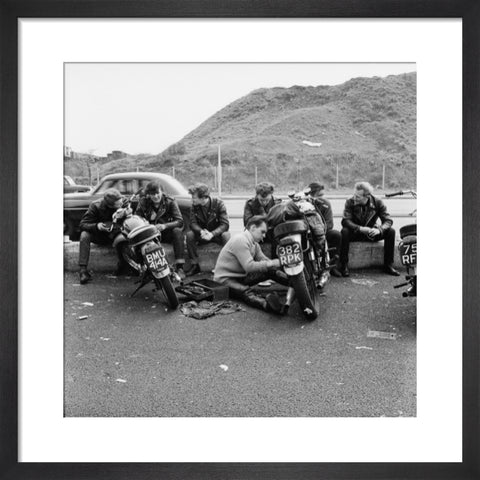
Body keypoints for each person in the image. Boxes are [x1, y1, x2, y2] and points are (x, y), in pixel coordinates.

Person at [214, 215, 287, 314]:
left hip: (241, 277)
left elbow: (265, 261)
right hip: (225, 281)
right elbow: (249, 266)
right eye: (262, 232)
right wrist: (271, 262)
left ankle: (293, 283)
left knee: (270, 270)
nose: (264, 236)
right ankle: (267, 305)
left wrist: (283, 264)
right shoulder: (240, 240)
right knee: (246, 291)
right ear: (253, 228)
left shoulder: (254, 244)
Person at [340, 181, 399, 277]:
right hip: (356, 232)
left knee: (391, 231)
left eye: (358, 197)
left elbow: (388, 220)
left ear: (367, 197)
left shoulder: (378, 202)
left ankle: (388, 265)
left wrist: (379, 230)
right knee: (344, 232)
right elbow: (345, 221)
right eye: (354, 195)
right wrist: (360, 228)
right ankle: (344, 265)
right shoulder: (350, 201)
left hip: (371, 233)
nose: (355, 198)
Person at [78, 188, 130, 285]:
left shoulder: (124, 201)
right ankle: (83, 271)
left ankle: (125, 266)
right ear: (109, 205)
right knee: (84, 235)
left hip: (117, 234)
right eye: (118, 204)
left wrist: (127, 212)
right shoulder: (95, 206)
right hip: (100, 235)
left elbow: (132, 217)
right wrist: (97, 226)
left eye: (121, 202)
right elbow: (82, 224)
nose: (121, 204)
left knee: (127, 234)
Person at [135, 180, 186, 278]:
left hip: (166, 233)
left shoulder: (170, 201)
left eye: (157, 193)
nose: (155, 197)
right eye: (152, 194)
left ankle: (180, 267)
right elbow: (137, 218)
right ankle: (142, 267)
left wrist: (165, 226)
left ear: (162, 192)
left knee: (177, 231)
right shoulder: (143, 201)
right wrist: (147, 225)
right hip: (150, 235)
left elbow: (179, 221)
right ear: (148, 195)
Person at [185, 183, 231, 276]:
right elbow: (192, 223)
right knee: (190, 235)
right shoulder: (194, 206)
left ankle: (228, 265)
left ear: (203, 198)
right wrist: (201, 231)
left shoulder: (218, 203)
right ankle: (195, 265)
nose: (192, 200)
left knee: (226, 235)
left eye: (194, 198)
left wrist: (212, 234)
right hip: (202, 234)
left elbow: (225, 224)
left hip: (216, 235)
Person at [307, 182, 342, 277]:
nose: (322, 197)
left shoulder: (326, 203)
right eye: (319, 195)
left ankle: (333, 266)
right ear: (310, 195)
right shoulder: (303, 203)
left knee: (336, 235)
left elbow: (329, 224)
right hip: (307, 233)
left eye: (323, 195)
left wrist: (319, 233)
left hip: (322, 231)